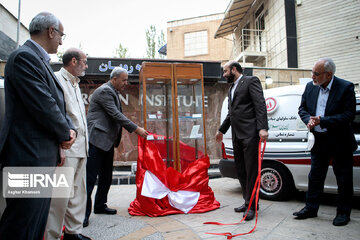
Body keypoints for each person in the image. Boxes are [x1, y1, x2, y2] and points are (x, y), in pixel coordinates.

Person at [0, 12, 76, 239]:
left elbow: (57, 102)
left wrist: (68, 131)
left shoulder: (37, 59)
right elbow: (44, 104)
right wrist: (66, 132)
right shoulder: (25, 57)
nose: (62, 41)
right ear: (51, 31)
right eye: (61, 35)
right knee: (21, 223)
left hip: (40, 155)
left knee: (35, 222)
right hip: (28, 156)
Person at [294, 58, 356, 226]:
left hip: (340, 141)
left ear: (328, 75)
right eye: (312, 72)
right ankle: (310, 208)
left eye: (316, 74)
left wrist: (323, 120)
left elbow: (348, 115)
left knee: (343, 178)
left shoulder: (345, 87)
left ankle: (343, 213)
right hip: (319, 140)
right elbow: (303, 109)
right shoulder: (310, 87)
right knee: (314, 176)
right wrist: (309, 120)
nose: (312, 76)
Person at [83, 67, 148, 227]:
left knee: (106, 176)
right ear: (114, 79)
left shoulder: (112, 91)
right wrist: (136, 129)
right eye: (124, 80)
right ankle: (83, 214)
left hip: (106, 141)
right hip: (96, 140)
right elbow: (116, 115)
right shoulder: (105, 91)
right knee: (90, 178)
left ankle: (100, 205)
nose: (126, 83)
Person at [44, 48, 91, 240]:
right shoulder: (56, 79)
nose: (86, 66)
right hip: (66, 147)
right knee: (59, 197)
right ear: (73, 61)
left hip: (81, 147)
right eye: (84, 62)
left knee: (78, 194)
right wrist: (57, 146)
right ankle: (52, 235)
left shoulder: (76, 84)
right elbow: (55, 114)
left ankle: (73, 233)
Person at [215, 61, 268, 221]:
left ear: (234, 69)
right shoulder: (232, 88)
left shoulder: (251, 81)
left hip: (251, 134)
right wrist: (221, 130)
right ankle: (247, 202)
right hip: (237, 136)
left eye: (225, 71)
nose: (224, 75)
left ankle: (252, 207)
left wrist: (263, 128)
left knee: (251, 172)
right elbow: (232, 114)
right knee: (242, 171)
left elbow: (260, 105)